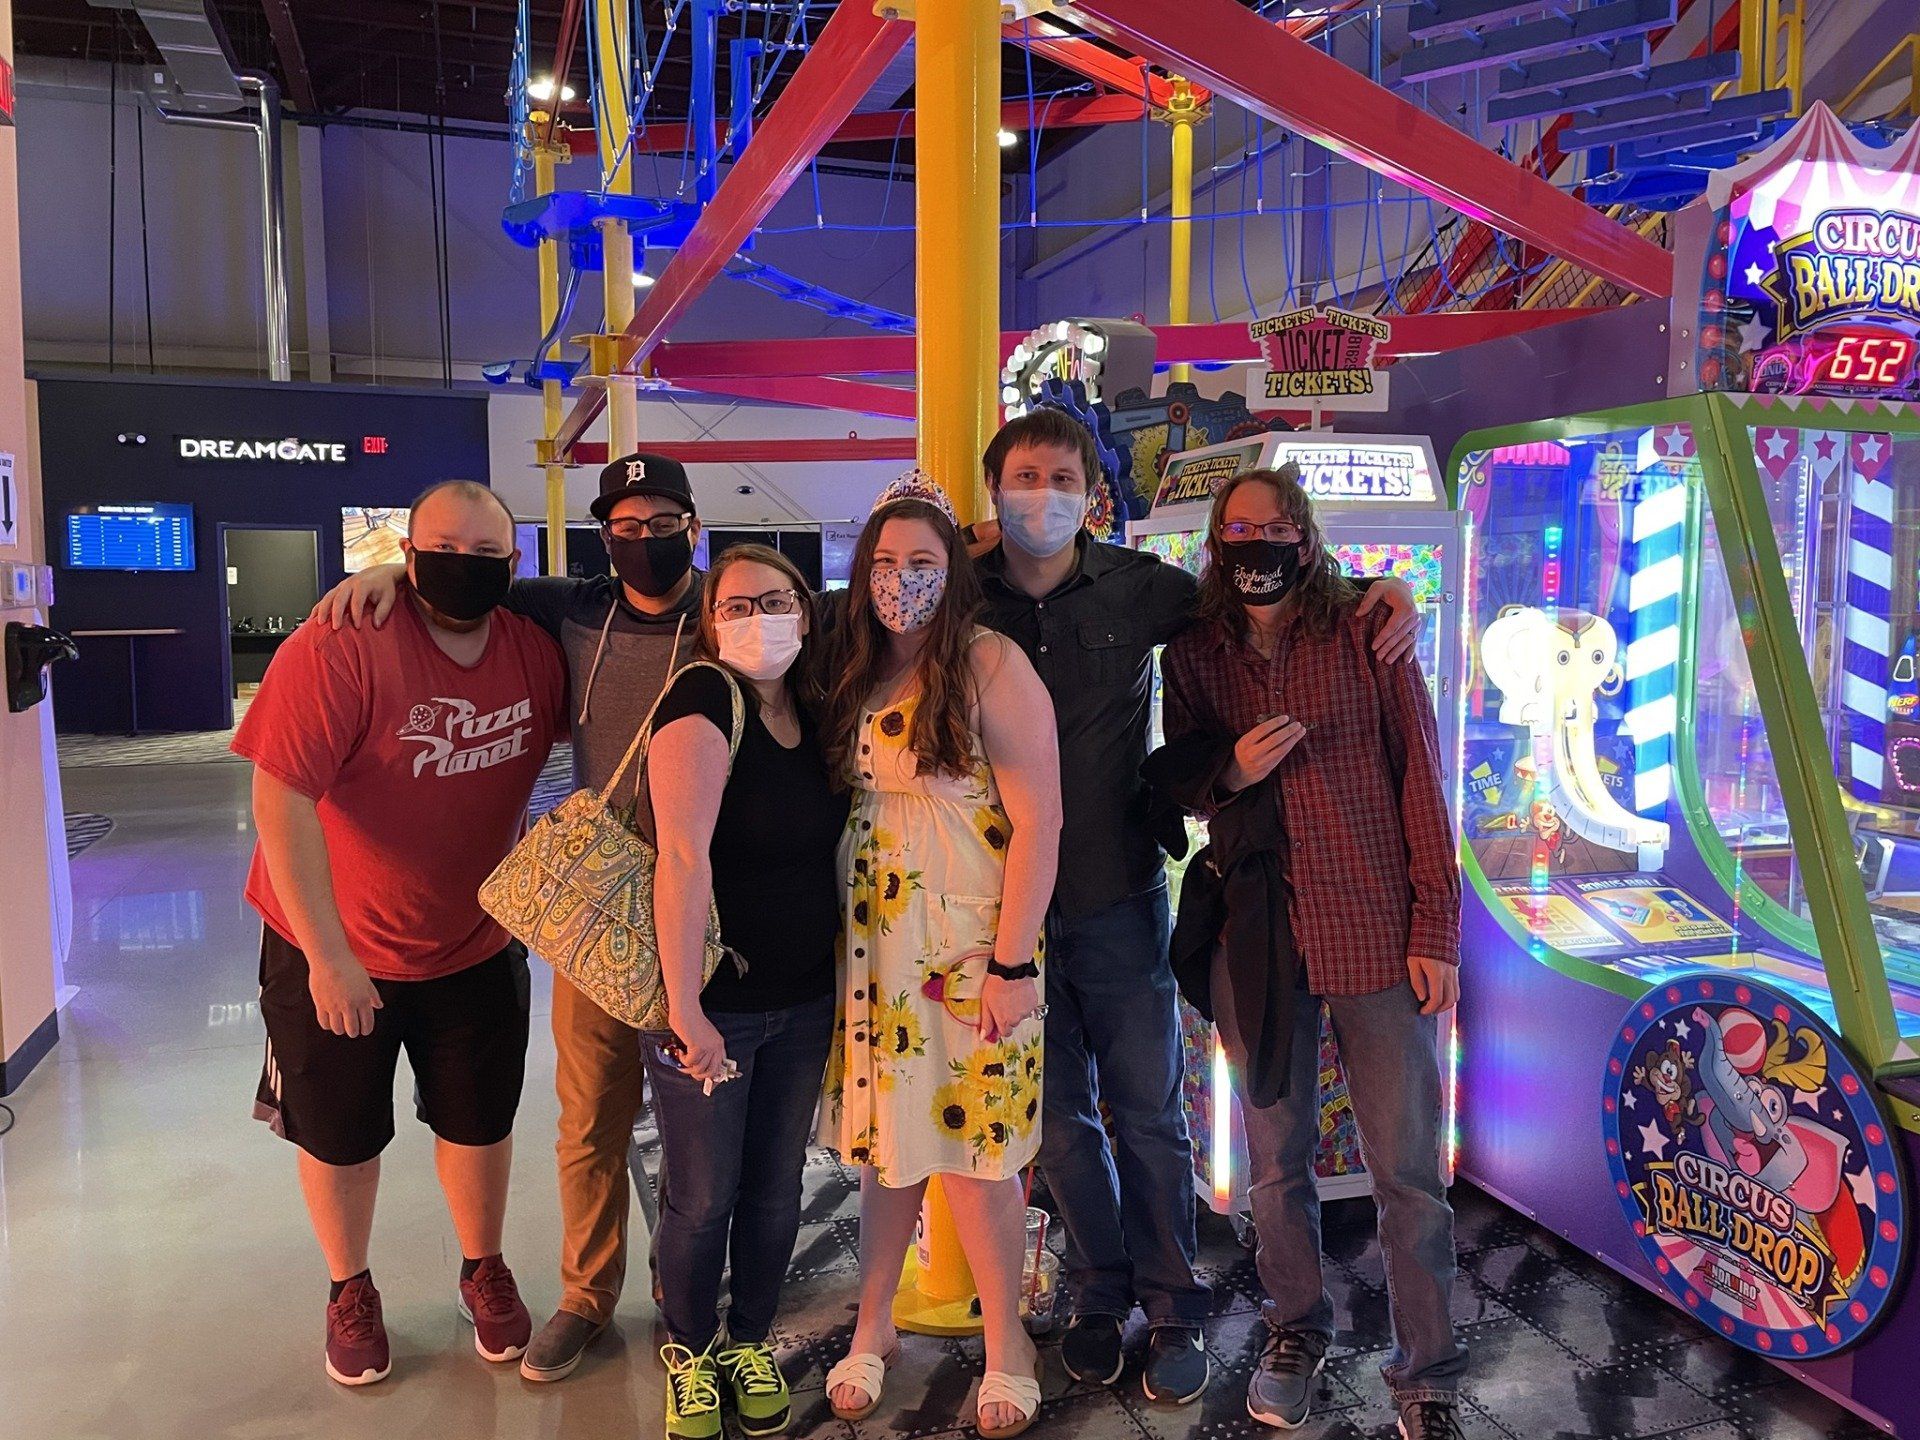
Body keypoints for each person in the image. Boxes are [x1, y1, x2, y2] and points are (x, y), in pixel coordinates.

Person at [962, 409, 1422, 1404]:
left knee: (1151, 1112)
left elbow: (1263, 601)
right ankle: (1097, 1289)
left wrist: (1388, 590)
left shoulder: (1144, 589)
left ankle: (1174, 1301)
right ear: (994, 494)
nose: (1042, 495)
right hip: (997, 911)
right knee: (1059, 1121)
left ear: (1095, 497)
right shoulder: (960, 593)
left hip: (1117, 894)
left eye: (1061, 478)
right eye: (1023, 478)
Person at [313, 452, 705, 1380]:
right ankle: (586, 1297)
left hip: (720, 908)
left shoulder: (740, 608)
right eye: (624, 526)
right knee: (590, 1122)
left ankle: (695, 1299)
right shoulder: (568, 609)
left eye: (661, 523)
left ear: (695, 524)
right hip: (596, 904)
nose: (641, 541)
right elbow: (454, 583)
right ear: (601, 535)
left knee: (706, 1125)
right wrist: (383, 572)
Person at [1155, 466, 1465, 1440]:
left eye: (1279, 526)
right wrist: (1230, 768)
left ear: (1308, 536)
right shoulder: (1196, 653)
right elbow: (1184, 781)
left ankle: (1428, 1374)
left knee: (1409, 1176)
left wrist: (1437, 929)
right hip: (1258, 943)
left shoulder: (1370, 632)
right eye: (1241, 528)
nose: (1261, 543)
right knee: (1274, 1164)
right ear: (1215, 540)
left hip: (1376, 933)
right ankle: (1297, 1328)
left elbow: (1423, 779)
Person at [236, 481, 567, 1385]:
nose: (463, 565)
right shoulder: (341, 644)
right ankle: (350, 1286)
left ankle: (483, 1268)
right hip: (332, 946)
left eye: (484, 552)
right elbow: (281, 796)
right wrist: (331, 957)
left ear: (514, 563)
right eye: (442, 548)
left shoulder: (534, 653)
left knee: (478, 1120)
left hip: (475, 940)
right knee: (339, 1133)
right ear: (408, 555)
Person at [819, 478, 1062, 1440]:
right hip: (875, 949)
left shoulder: (991, 663)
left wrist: (1012, 965)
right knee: (886, 1152)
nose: (901, 580)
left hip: (965, 948)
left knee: (976, 1156)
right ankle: (872, 1323)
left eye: (922, 563)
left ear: (953, 572)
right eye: (885, 562)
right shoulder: (853, 664)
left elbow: (1041, 821)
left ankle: (1009, 1345)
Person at [645, 545, 848, 1440]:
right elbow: (682, 859)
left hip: (804, 1002)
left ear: (806, 611)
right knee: (702, 1194)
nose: (758, 618)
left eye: (775, 600)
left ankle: (749, 1341)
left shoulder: (815, 707)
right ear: (710, 622)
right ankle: (688, 1350)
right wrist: (685, 1005)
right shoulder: (699, 699)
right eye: (735, 605)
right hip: (713, 1006)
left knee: (775, 1190)